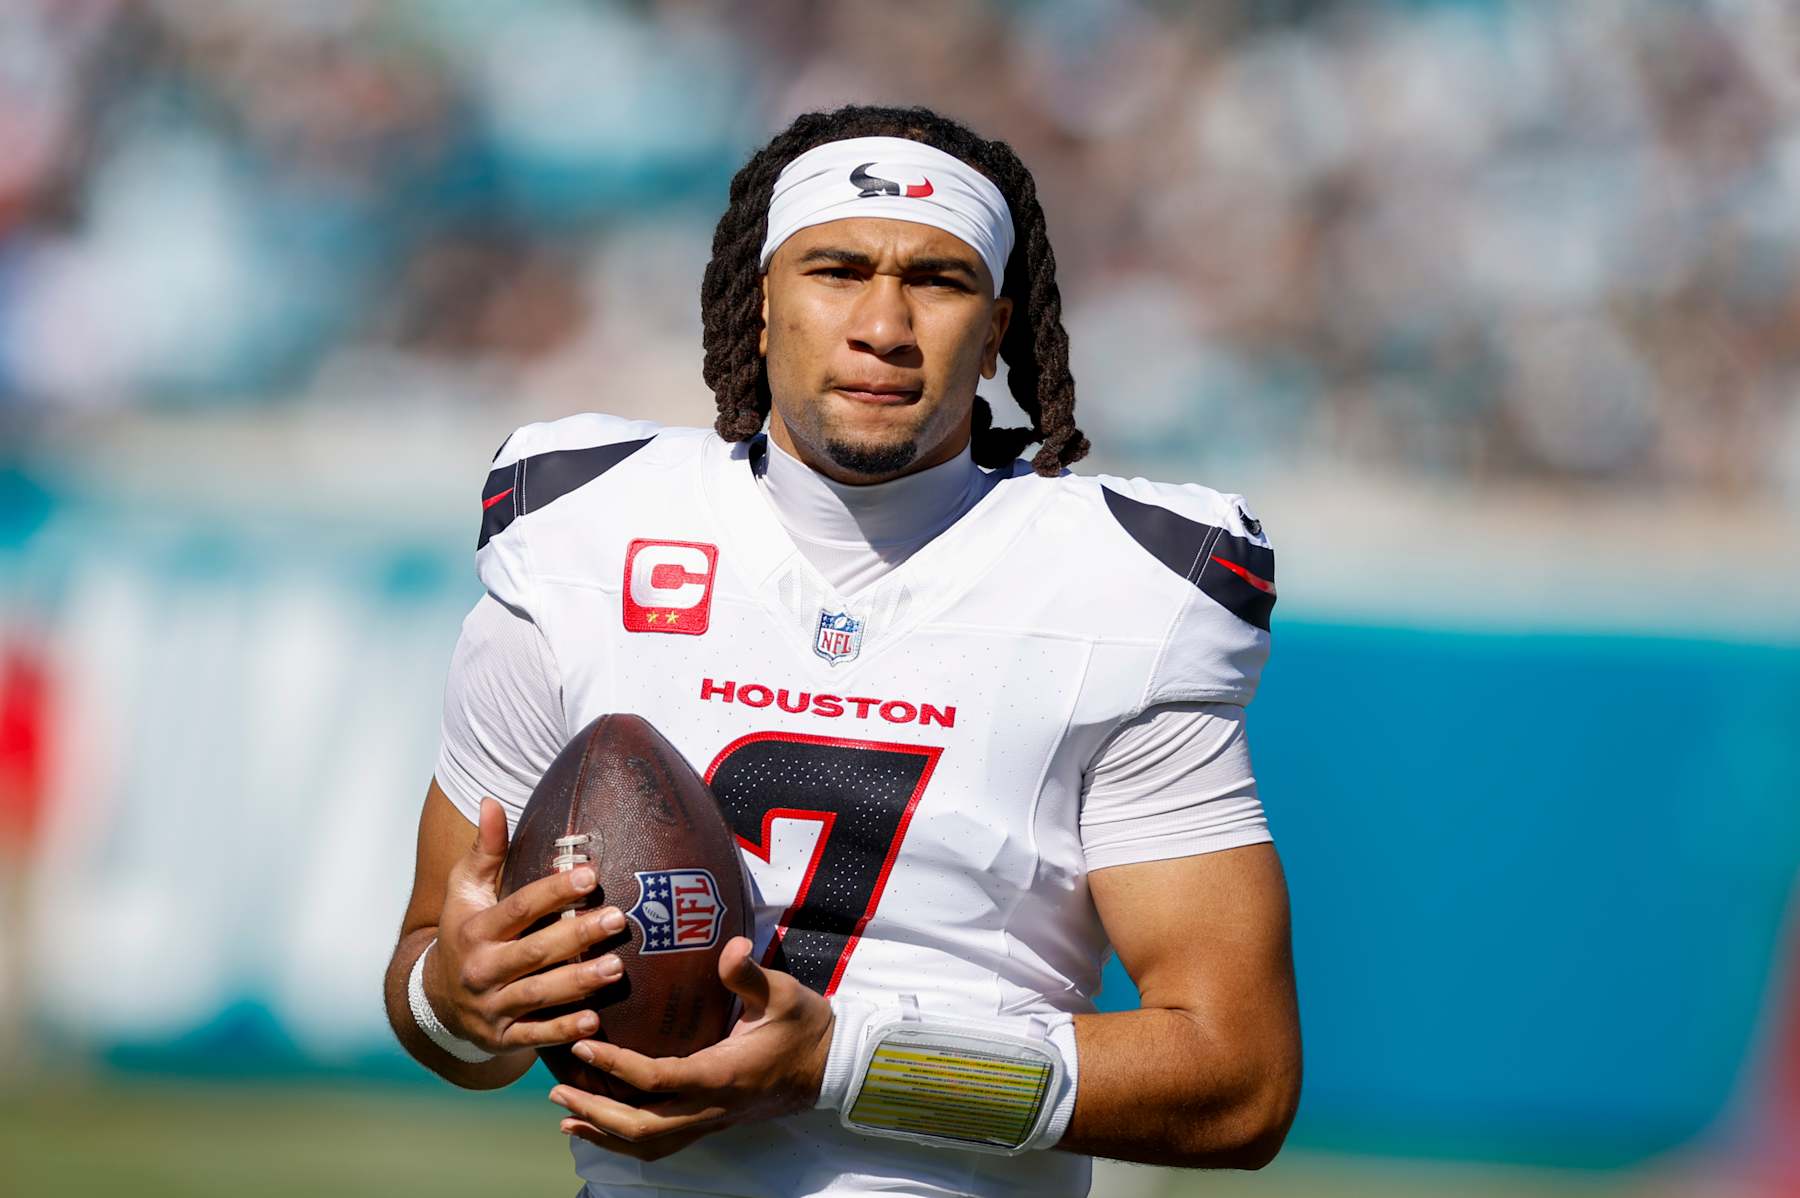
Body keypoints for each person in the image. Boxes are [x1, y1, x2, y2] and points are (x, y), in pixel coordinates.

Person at [383, 104, 1301, 1198]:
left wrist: (839, 1065)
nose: (883, 322)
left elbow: (1239, 1084)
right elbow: (439, 995)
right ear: (761, 301)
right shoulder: (582, 534)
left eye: (938, 279)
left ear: (1000, 324)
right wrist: (461, 994)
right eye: (836, 268)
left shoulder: (1119, 585)